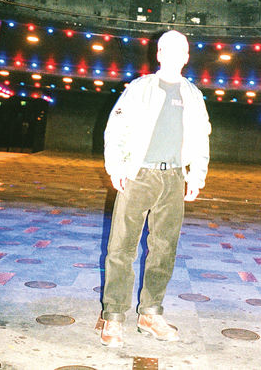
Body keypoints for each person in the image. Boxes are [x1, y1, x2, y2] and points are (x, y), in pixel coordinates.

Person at [100, 30, 211, 347]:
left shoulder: (193, 94)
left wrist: (196, 176)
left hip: (174, 178)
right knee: (121, 248)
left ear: (186, 57)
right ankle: (114, 317)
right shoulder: (140, 88)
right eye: (167, 49)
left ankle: (150, 313)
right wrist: (116, 167)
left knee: (164, 249)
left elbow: (201, 138)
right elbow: (116, 128)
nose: (174, 55)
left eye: (181, 50)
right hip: (139, 175)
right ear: (159, 54)